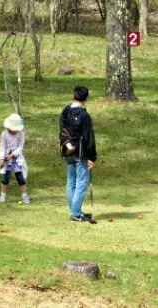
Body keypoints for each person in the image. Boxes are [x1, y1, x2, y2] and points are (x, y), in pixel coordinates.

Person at [59, 85, 97, 222]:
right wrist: (92, 157)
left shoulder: (65, 111)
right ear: (85, 99)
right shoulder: (84, 115)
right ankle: (75, 214)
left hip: (67, 150)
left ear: (73, 96)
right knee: (81, 183)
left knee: (71, 182)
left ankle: (76, 211)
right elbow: (89, 137)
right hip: (81, 153)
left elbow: (62, 131)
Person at [0, 113, 30, 204]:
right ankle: (2, 196)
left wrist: (13, 154)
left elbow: (20, 148)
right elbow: (2, 147)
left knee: (21, 178)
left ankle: (24, 196)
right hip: (6, 159)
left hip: (17, 159)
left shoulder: (21, 134)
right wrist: (1, 159)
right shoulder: (4, 134)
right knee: (6, 178)